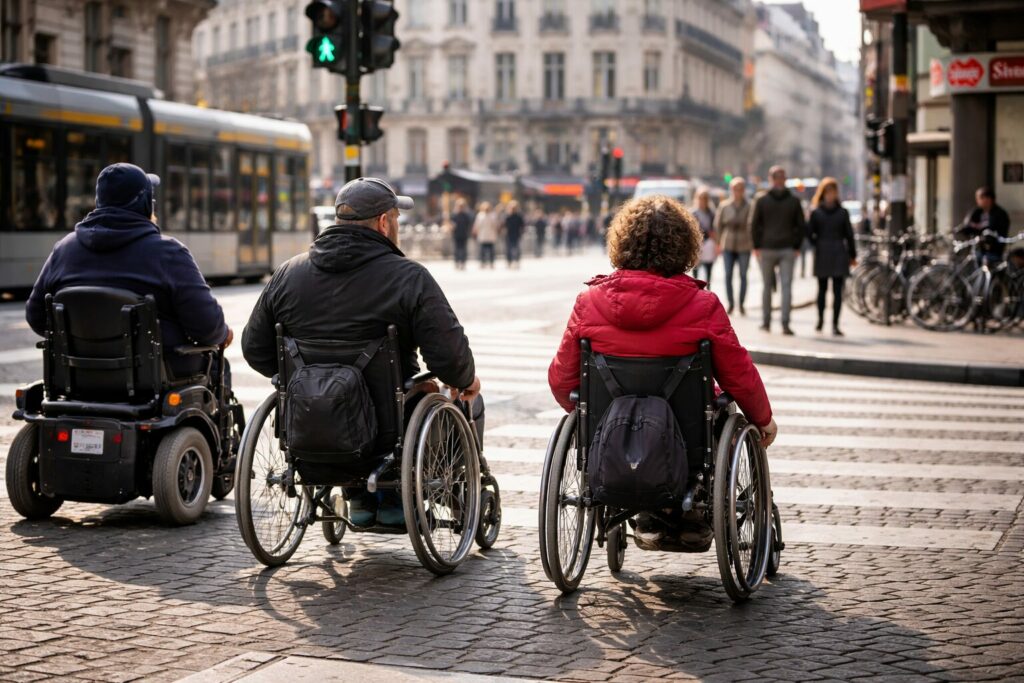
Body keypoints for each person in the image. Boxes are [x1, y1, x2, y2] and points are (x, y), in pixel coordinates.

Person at [242, 177, 483, 527]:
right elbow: (449, 356)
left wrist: (304, 379)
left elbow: (255, 349)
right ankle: (402, 497)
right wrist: (467, 379)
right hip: (387, 432)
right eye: (397, 220)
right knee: (456, 396)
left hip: (310, 420)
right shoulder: (408, 278)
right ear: (384, 223)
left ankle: (358, 497)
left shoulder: (288, 274)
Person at [548, 195, 777, 548]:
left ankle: (643, 507)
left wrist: (583, 411)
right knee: (721, 408)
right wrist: (762, 418)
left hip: (612, 432)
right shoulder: (703, 305)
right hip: (687, 439)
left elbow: (562, 379)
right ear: (684, 245)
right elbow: (738, 372)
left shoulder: (589, 303)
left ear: (621, 243)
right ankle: (688, 507)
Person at [26, 163, 232, 380]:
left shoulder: (64, 250)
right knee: (218, 366)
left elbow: (36, 317)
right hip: (155, 379)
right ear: (145, 204)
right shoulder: (168, 253)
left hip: (77, 377)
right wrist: (224, 333)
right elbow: (208, 328)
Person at [750, 165, 806, 335]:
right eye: (778, 178)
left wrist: (757, 245)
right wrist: (757, 246)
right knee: (783, 287)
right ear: (773, 179)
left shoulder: (763, 199)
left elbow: (753, 224)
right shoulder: (793, 200)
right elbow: (801, 226)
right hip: (781, 248)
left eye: (781, 178)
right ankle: (783, 323)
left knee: (770, 286)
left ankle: (769, 322)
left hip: (774, 248)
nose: (779, 181)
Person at [807, 177, 857, 336]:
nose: (831, 195)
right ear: (823, 193)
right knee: (821, 290)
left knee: (837, 292)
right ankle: (820, 320)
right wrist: (817, 244)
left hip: (838, 254)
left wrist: (852, 255)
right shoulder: (816, 212)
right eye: (828, 192)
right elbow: (809, 233)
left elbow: (849, 235)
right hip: (822, 253)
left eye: (833, 192)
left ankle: (835, 324)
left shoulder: (843, 212)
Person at [714, 177, 753, 315]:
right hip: (728, 243)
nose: (738, 192)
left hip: (745, 244)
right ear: (731, 190)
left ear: (744, 190)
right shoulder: (724, 205)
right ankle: (730, 303)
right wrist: (718, 243)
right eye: (735, 189)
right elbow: (718, 225)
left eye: (741, 189)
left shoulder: (750, 206)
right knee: (728, 275)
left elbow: (752, 226)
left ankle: (741, 304)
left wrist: (753, 245)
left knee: (743, 275)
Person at [959, 186, 1010, 267]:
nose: (977, 201)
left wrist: (978, 227)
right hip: (978, 248)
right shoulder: (977, 211)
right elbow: (967, 224)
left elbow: (994, 230)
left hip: (993, 250)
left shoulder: (999, 214)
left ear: (988, 199)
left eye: (980, 198)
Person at [691, 187, 717, 285]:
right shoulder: (693, 213)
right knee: (696, 267)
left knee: (708, 267)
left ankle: (708, 285)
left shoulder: (711, 213)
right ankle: (696, 285)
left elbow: (715, 228)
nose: (703, 200)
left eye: (705, 198)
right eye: (701, 198)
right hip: (697, 242)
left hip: (709, 242)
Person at [473, 201, 499, 268]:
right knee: (482, 251)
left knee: (491, 251)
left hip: (491, 235)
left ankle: (491, 262)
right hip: (482, 235)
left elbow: (496, 225)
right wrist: (475, 231)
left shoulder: (493, 215)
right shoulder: (480, 215)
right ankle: (483, 262)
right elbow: (476, 225)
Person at [450, 198, 472, 270]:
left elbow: (469, 224)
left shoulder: (466, 215)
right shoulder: (454, 215)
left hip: (464, 234)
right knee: (457, 249)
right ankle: (457, 262)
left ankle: (462, 262)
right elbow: (451, 224)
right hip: (457, 234)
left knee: (463, 249)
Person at [504, 200, 525, 268]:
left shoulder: (519, 216)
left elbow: (522, 225)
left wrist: (522, 232)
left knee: (517, 248)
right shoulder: (507, 216)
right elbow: (503, 225)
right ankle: (509, 261)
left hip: (516, 234)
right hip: (509, 234)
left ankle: (516, 261)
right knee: (508, 249)